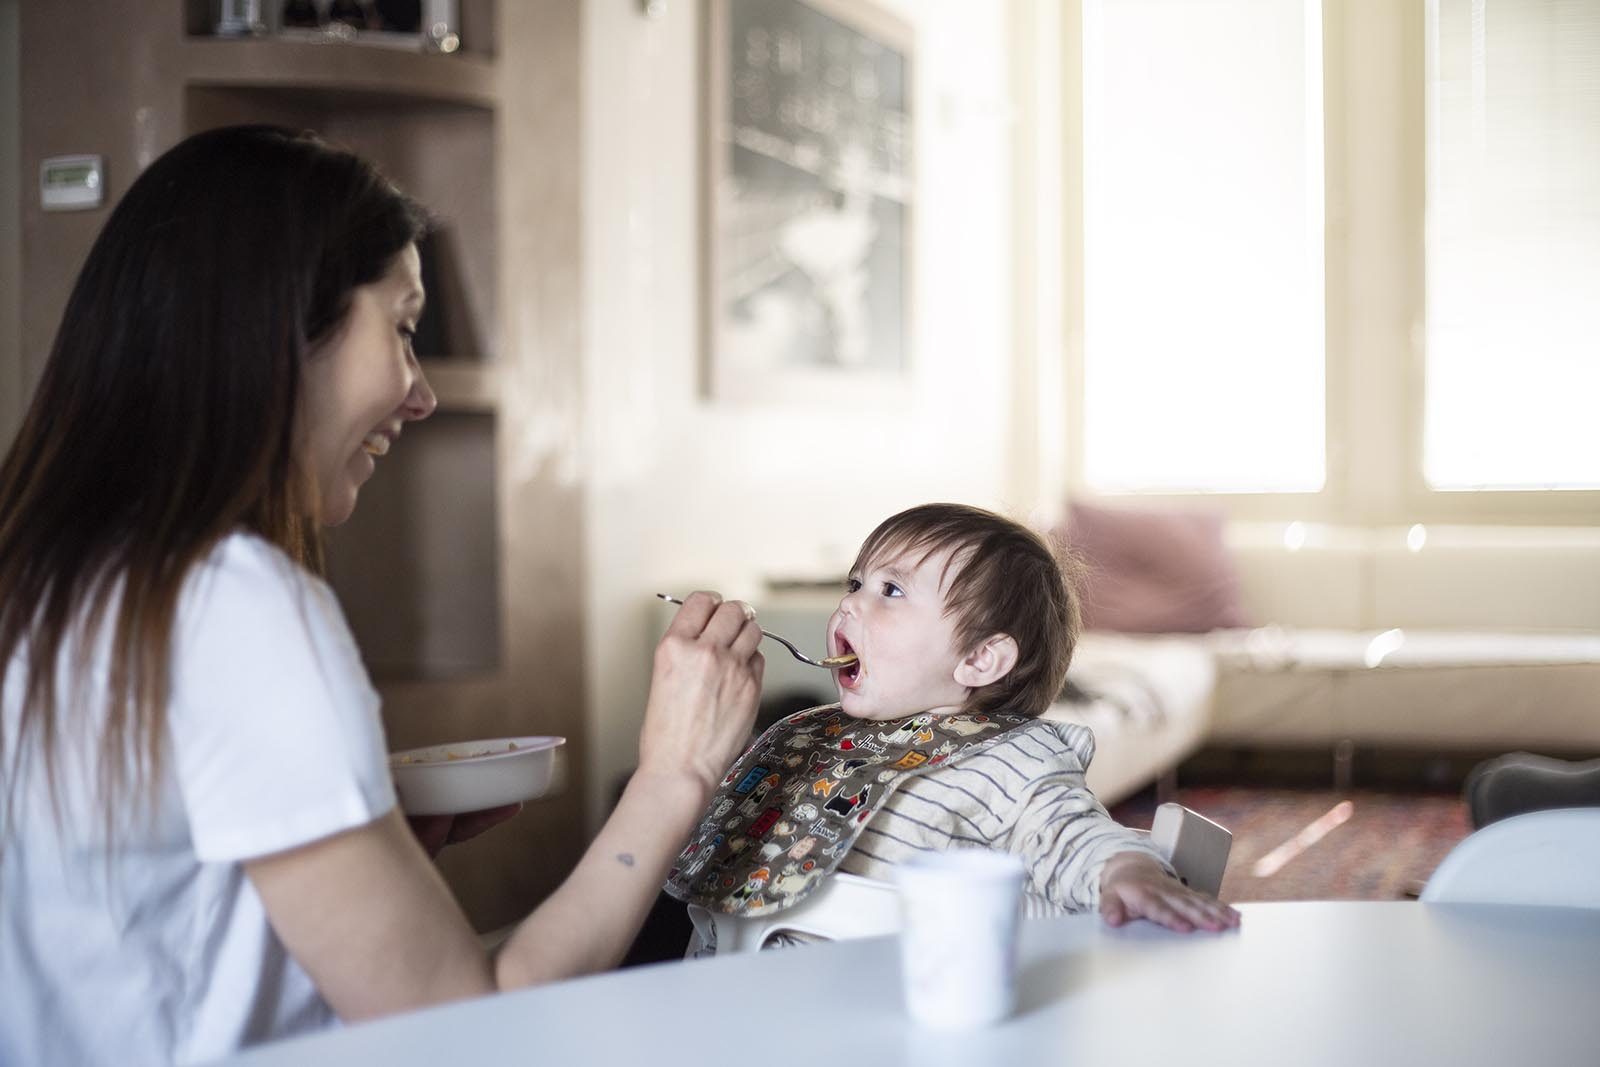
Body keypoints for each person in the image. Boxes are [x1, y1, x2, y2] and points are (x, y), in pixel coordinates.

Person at [0, 125, 762, 1065]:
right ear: (279, 325)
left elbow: (147, 925)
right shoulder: (233, 603)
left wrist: (371, 849)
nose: (421, 394)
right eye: (403, 327)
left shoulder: (52, 574)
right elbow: (466, 1029)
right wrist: (674, 775)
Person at [664, 503, 1240, 949]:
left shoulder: (1008, 761)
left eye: (891, 591)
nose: (851, 607)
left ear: (980, 660)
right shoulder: (814, 739)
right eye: (854, 583)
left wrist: (1126, 869)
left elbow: (1066, 833)